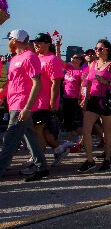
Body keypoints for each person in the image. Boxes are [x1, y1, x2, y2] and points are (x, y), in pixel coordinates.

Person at [0, 29, 49, 182]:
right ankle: (42, 167)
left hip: (21, 104)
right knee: (30, 137)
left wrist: (27, 107)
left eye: (9, 39)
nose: (8, 42)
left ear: (15, 41)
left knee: (9, 139)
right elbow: (12, 81)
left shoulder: (30, 57)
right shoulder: (15, 58)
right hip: (14, 102)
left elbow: (37, 83)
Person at [78, 39, 111, 173]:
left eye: (100, 48)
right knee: (86, 129)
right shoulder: (93, 64)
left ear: (107, 50)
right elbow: (88, 83)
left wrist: (106, 81)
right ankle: (89, 160)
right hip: (93, 99)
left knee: (107, 130)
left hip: (108, 100)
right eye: (96, 48)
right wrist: (85, 99)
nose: (97, 51)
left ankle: (108, 159)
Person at [30, 33, 67, 167]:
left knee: (37, 129)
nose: (36, 45)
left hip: (45, 102)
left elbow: (56, 82)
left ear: (47, 44)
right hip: (35, 101)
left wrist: (52, 101)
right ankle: (59, 149)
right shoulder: (35, 58)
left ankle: (38, 160)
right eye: (35, 43)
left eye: (39, 43)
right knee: (44, 131)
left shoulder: (52, 60)